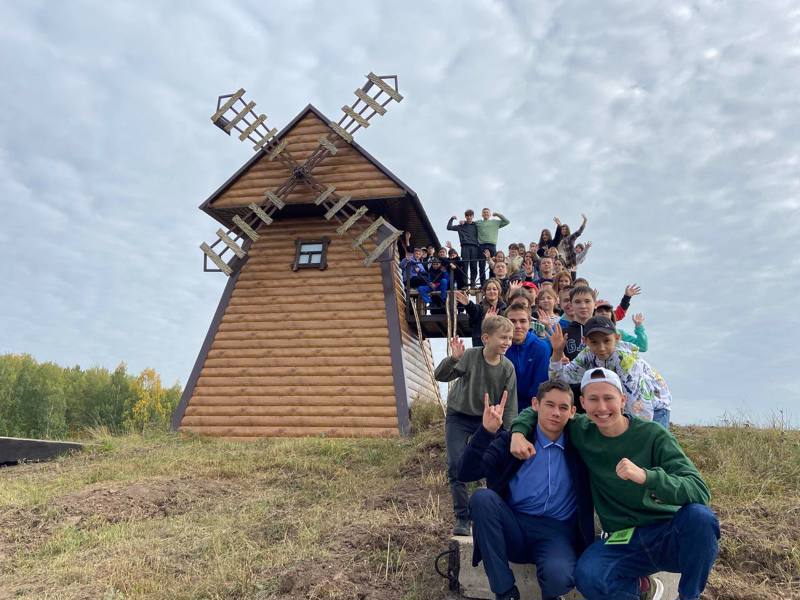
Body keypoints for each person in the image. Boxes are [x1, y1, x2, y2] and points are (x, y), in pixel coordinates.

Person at [510, 368, 719, 600]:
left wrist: (647, 477)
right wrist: (518, 432)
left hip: (665, 533)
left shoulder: (653, 435)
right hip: (623, 539)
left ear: (622, 400)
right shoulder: (581, 430)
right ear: (581, 404)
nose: (601, 408)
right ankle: (638, 590)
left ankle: (689, 597)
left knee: (701, 518)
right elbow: (540, 409)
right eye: (593, 399)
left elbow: (699, 490)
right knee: (587, 575)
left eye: (608, 398)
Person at [458, 380, 594, 600]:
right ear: (535, 404)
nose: (556, 413)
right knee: (482, 498)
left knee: (559, 576)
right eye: (549, 405)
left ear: (573, 412)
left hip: (557, 533)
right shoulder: (512, 441)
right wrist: (485, 432)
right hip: (515, 526)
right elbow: (466, 472)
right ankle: (506, 593)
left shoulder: (580, 447)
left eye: (563, 407)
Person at [434, 316, 518, 536]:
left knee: (494, 465)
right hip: (459, 416)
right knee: (455, 464)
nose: (507, 341)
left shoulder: (508, 368)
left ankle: (491, 513)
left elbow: (509, 405)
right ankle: (462, 517)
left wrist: (510, 434)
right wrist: (453, 359)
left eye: (510, 338)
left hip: (487, 422)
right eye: (503, 337)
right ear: (486, 338)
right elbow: (440, 376)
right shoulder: (470, 356)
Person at [547, 316, 672, 425]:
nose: (601, 347)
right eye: (594, 342)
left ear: (617, 338)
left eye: (607, 341)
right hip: (625, 402)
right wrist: (557, 353)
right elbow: (559, 379)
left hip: (655, 404)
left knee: (649, 441)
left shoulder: (626, 361)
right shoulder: (587, 354)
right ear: (585, 341)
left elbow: (639, 407)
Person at [504, 303, 552, 413]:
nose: (517, 326)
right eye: (512, 321)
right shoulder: (500, 347)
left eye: (522, 321)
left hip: (530, 409)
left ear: (529, 322)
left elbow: (539, 386)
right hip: (503, 406)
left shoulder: (541, 348)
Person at [457, 279, 507, 348]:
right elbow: (473, 310)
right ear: (485, 292)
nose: (491, 291)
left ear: (499, 292)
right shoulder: (480, 309)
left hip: (500, 346)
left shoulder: (504, 309)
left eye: (494, 289)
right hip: (481, 347)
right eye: (488, 289)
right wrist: (468, 304)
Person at [477, 208, 511, 284]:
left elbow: (507, 221)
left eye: (487, 212)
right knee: (481, 265)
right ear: (482, 214)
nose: (485, 214)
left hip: (492, 245)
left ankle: (492, 281)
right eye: (484, 212)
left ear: (489, 214)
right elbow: (470, 224)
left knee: (493, 265)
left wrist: (498, 215)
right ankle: (483, 283)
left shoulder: (495, 222)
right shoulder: (478, 223)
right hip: (481, 245)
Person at [448, 210, 481, 287]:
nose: (469, 217)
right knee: (465, 266)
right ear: (465, 216)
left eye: (470, 215)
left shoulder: (476, 225)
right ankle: (465, 284)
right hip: (465, 246)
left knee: (474, 266)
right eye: (467, 216)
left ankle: (473, 283)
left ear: (473, 216)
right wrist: (452, 218)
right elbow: (449, 227)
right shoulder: (461, 226)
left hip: (474, 247)